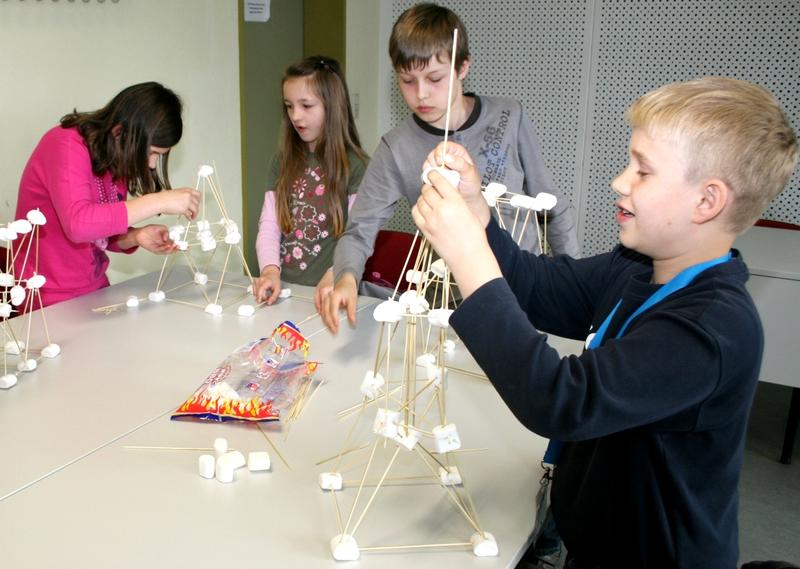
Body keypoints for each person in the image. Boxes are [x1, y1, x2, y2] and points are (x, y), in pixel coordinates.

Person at [411, 78, 798, 567]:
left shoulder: (711, 330)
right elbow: (539, 288)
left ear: (707, 201)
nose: (620, 181)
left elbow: (560, 398)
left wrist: (467, 255)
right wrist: (476, 211)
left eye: (643, 171)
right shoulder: (637, 265)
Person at [319, 2, 579, 333]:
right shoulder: (396, 147)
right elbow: (360, 229)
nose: (421, 94)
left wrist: (572, 285)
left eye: (435, 78)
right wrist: (345, 276)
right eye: (407, 80)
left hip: (522, 288)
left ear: (462, 68)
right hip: (450, 303)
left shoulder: (509, 117)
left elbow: (551, 204)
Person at [14, 81, 200, 309]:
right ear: (120, 132)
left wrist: (136, 236)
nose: (152, 164)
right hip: (46, 296)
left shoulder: (114, 154)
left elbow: (99, 230)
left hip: (94, 288)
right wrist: (158, 200)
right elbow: (79, 224)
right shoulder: (65, 144)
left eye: (159, 156)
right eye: (151, 153)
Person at [252, 56, 369, 304]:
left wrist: (335, 274)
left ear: (332, 106)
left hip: (331, 292)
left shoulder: (356, 166)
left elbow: (358, 235)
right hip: (286, 292)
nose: (295, 116)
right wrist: (270, 270)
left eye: (306, 106)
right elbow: (270, 224)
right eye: (289, 106)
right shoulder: (281, 161)